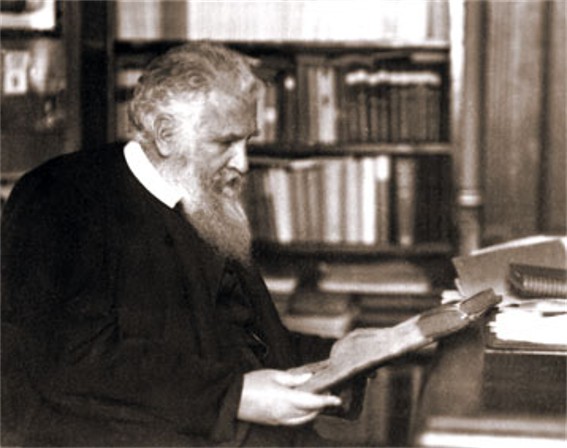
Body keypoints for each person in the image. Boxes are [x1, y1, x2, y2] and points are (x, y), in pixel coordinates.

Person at [1, 42, 367, 447]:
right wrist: (236, 397)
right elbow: (71, 359)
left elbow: (243, 339)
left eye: (247, 141)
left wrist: (343, 357)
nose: (242, 163)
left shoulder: (205, 204)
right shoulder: (60, 197)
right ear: (166, 134)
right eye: (225, 143)